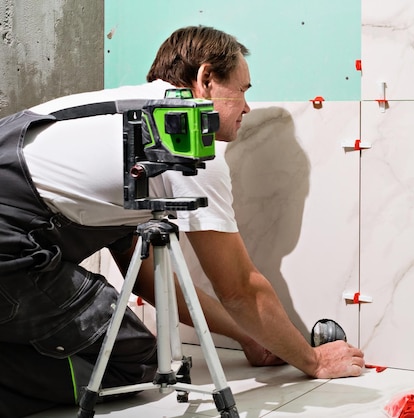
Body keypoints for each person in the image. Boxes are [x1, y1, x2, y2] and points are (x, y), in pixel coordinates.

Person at [0, 25, 364, 417]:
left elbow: (148, 278)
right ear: (206, 78)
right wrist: (312, 361)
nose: (247, 107)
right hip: (10, 251)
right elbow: (239, 289)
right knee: (132, 362)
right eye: (242, 89)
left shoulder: (121, 116)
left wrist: (248, 336)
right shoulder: (179, 137)